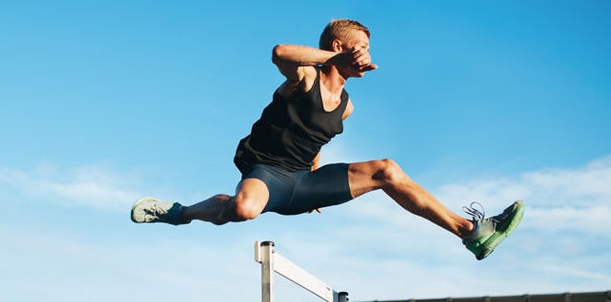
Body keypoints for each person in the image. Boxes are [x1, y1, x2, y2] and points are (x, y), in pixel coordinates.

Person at [131, 19, 523, 260]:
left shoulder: (347, 107)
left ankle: (472, 233)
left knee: (387, 170)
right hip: (268, 173)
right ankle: (179, 213)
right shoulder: (305, 78)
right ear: (339, 47)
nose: (369, 57)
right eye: (363, 48)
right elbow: (279, 51)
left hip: (305, 183)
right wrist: (333, 61)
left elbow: (316, 142)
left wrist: (315, 186)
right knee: (244, 209)